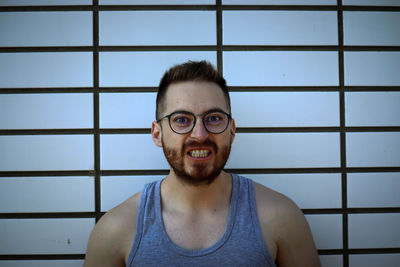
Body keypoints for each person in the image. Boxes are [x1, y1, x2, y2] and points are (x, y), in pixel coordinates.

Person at [84, 61, 321, 266]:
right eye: (181, 119)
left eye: (214, 118)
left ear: (232, 130)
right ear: (157, 134)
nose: (199, 134)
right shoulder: (115, 230)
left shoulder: (281, 218)